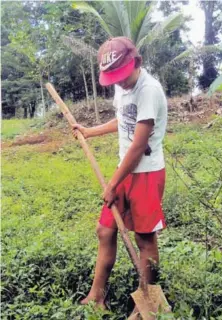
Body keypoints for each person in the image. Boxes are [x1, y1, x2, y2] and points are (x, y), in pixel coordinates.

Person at [72, 36, 168, 310]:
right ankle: (97, 295)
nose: (120, 82)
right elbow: (124, 118)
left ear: (136, 62)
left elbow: (139, 145)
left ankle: (147, 306)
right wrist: (90, 131)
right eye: (114, 78)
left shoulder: (149, 90)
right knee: (104, 230)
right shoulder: (121, 87)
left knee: (144, 239)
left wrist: (113, 183)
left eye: (123, 76)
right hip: (124, 169)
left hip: (146, 173)